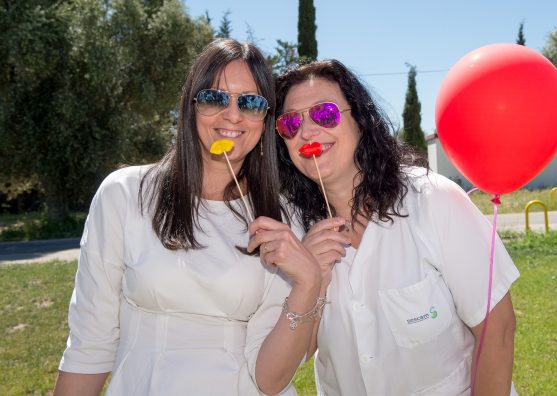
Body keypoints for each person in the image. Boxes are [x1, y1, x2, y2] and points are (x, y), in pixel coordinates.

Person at [53, 39, 323, 396]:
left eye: (251, 102)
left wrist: (308, 283)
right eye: (215, 98)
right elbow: (90, 344)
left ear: (265, 119)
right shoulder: (124, 194)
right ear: (190, 105)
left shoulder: (282, 218)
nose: (233, 115)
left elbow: (270, 380)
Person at [274, 59, 520, 395]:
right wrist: (311, 282)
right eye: (290, 123)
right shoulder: (295, 229)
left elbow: (498, 329)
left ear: (360, 119)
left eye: (324, 113)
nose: (307, 131)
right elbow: (297, 355)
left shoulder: (432, 199)